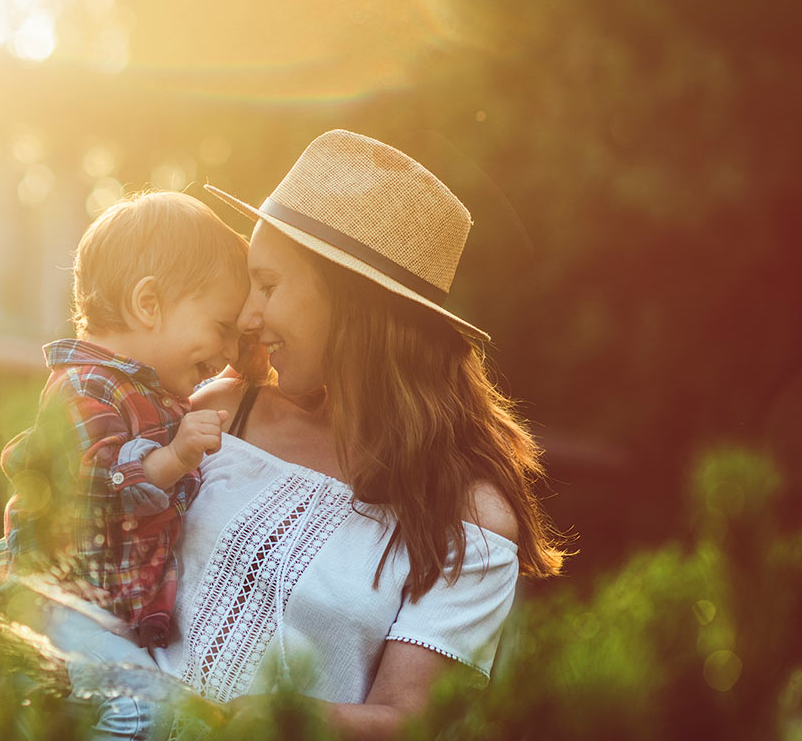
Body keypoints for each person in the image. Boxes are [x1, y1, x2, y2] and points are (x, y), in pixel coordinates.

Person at [150, 130, 568, 739]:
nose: (247, 317)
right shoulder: (217, 416)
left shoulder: (469, 516)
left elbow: (414, 721)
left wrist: (280, 721)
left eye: (268, 286)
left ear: (352, 304)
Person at [0, 190, 250, 739]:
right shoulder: (84, 385)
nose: (227, 353)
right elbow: (99, 484)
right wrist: (173, 457)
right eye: (221, 327)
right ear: (148, 304)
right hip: (51, 602)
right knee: (142, 709)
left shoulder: (153, 392)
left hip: (94, 612)